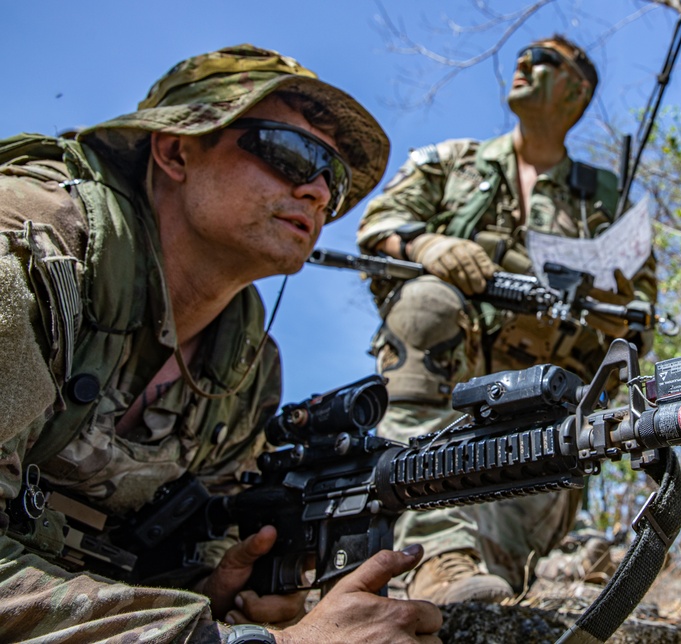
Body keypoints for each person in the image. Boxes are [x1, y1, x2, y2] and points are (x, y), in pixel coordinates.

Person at [0, 44, 442, 643]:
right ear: (176, 150)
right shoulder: (30, 259)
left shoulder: (244, 368)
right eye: (291, 154)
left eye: (332, 181)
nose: (316, 192)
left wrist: (209, 587)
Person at [356, 34, 657, 604]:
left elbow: (640, 315)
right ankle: (436, 553)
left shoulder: (604, 197)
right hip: (440, 390)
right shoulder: (452, 163)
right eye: (521, 56)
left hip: (543, 417)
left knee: (495, 569)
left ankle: (458, 565)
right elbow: (377, 229)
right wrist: (425, 246)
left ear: (576, 89)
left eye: (542, 60)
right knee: (425, 304)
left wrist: (610, 303)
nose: (521, 63)